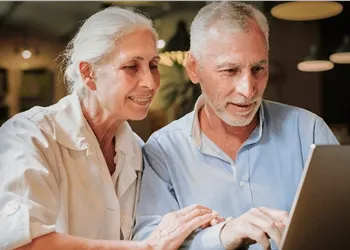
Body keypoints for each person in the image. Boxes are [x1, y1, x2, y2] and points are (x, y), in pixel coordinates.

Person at [0, 6, 222, 250]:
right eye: (131, 67)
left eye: (153, 65)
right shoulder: (29, 136)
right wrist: (148, 248)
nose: (150, 83)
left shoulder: (138, 150)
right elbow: (21, 244)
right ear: (89, 72)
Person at [133, 1, 339, 250]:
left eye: (258, 69)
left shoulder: (308, 131)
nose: (248, 89)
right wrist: (220, 236)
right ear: (193, 69)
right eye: (230, 70)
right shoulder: (163, 149)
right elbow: (148, 241)